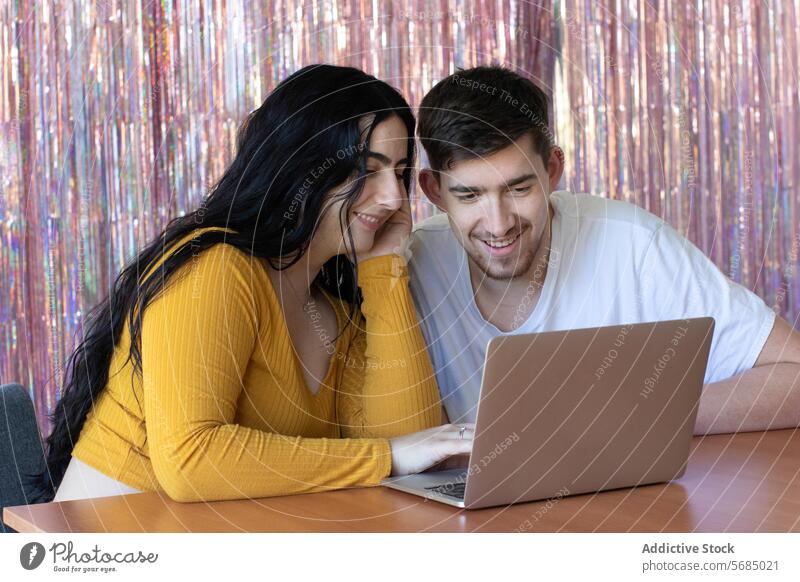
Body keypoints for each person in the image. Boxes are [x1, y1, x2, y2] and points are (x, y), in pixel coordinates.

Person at [34, 64, 474, 504]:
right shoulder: (215, 268)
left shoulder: (336, 305)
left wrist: (384, 272)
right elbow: (191, 461)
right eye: (367, 169)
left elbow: (412, 443)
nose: (394, 198)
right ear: (299, 166)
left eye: (398, 172)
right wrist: (387, 457)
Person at [409, 65, 800, 435]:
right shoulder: (412, 265)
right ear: (434, 191)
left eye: (519, 188)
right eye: (469, 195)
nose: (498, 223)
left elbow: (793, 372)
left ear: (552, 171)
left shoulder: (632, 244)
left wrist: (634, 417)